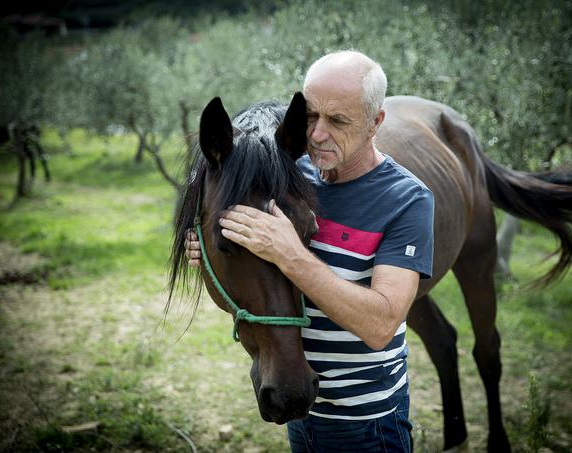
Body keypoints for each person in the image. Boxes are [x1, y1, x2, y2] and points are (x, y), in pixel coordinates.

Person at [185, 50, 434, 452]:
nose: (317, 135)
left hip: (369, 425)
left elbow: (380, 325)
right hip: (302, 405)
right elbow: (246, 259)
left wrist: (292, 255)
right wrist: (207, 251)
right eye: (311, 116)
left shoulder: (407, 200)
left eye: (338, 121)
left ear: (375, 123)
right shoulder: (288, 174)